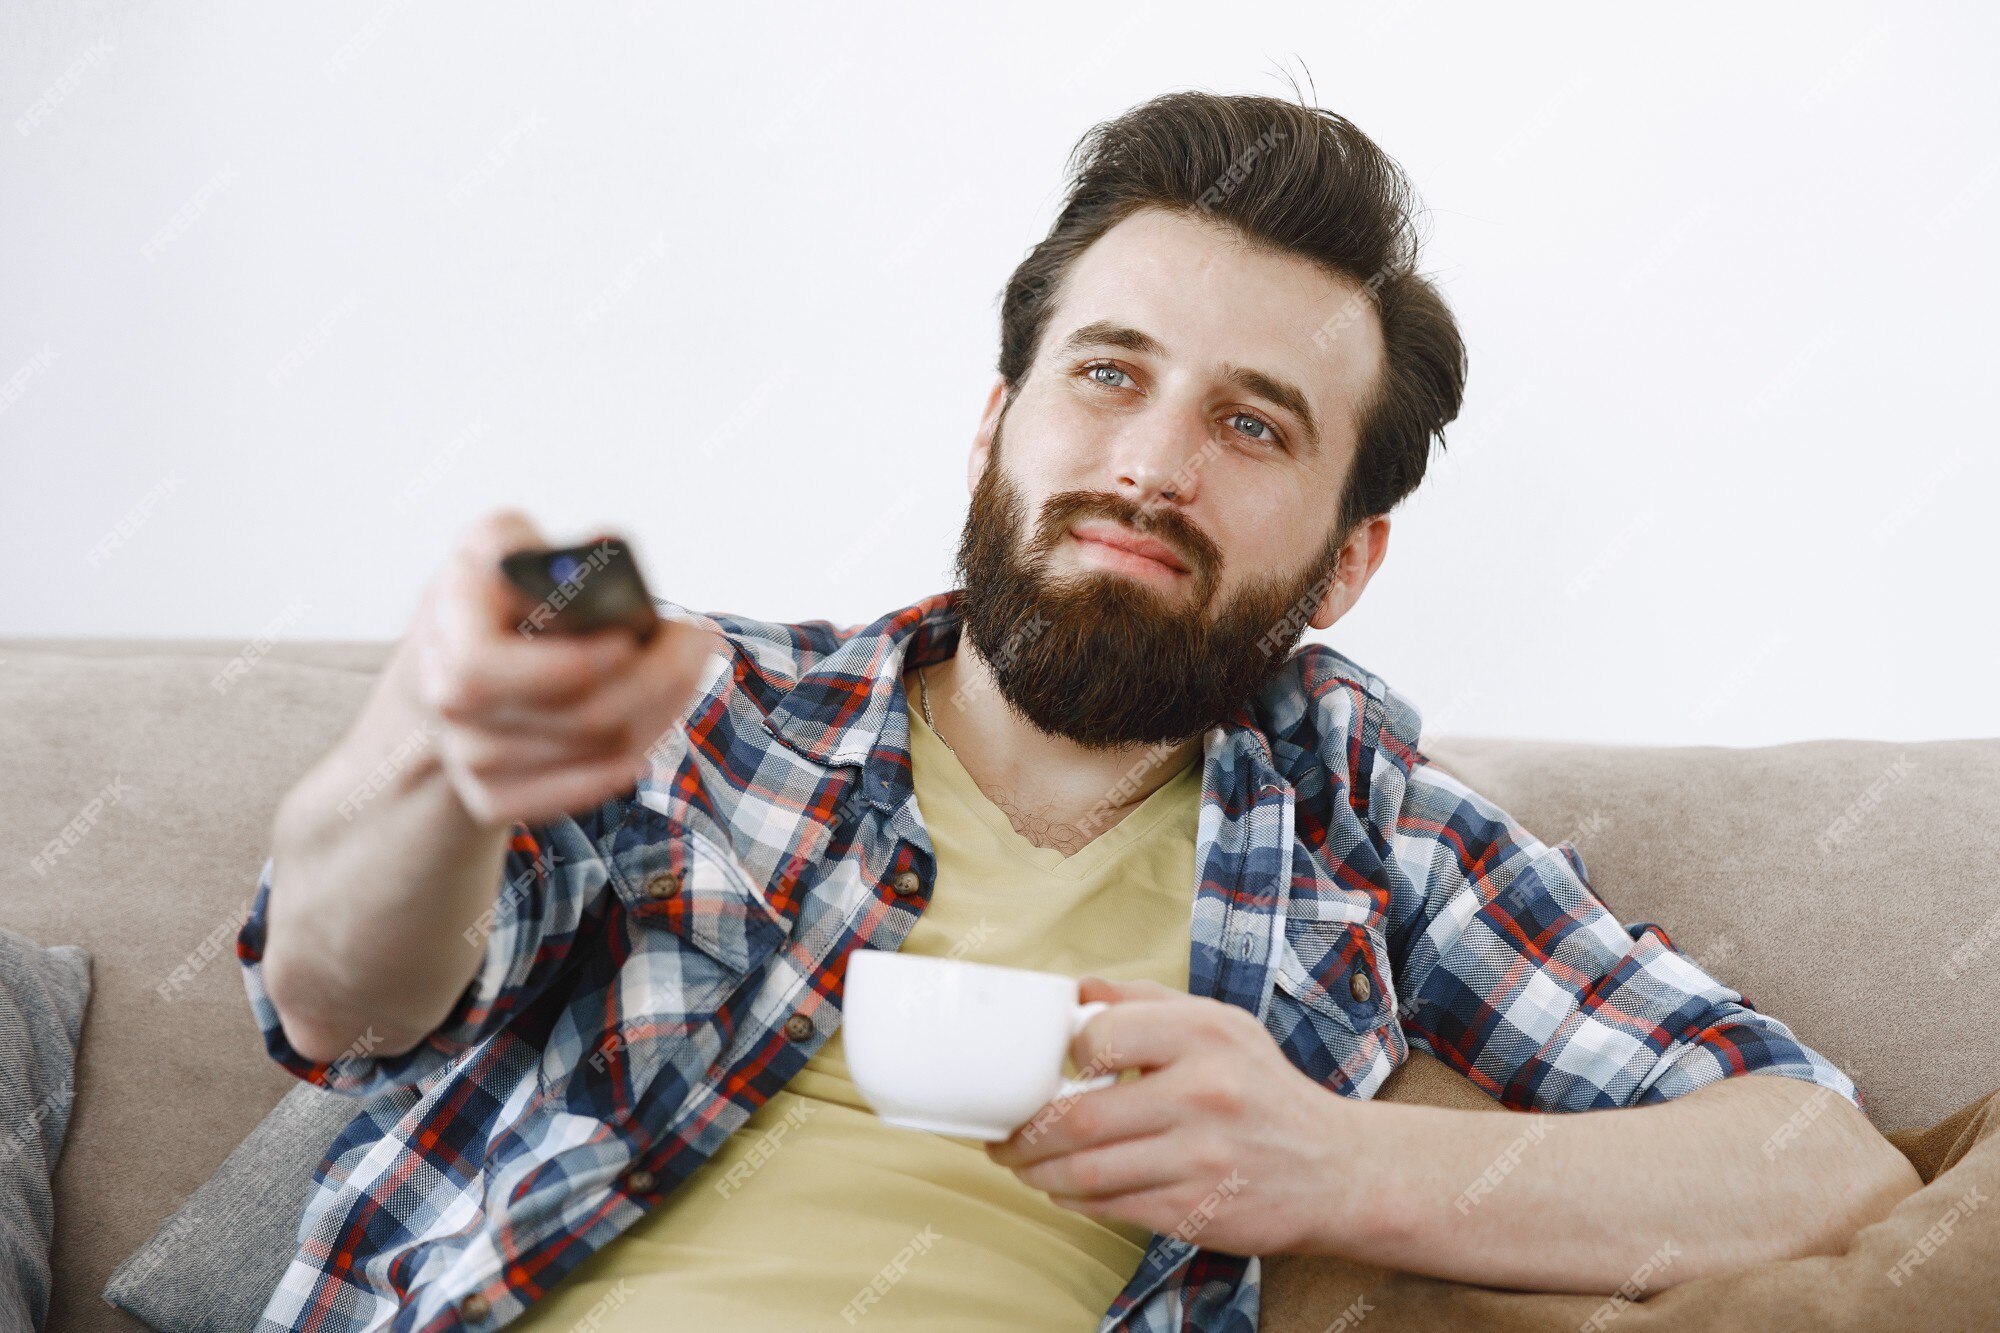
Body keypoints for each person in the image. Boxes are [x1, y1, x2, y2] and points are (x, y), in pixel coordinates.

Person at [236, 89, 1920, 1333]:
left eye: (1254, 427)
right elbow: (344, 1000)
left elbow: (1821, 1164)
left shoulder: (1374, 828)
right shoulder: (693, 698)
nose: (1149, 463)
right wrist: (432, 771)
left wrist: (1327, 1166)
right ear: (995, 426)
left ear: (1344, 567)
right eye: (1108, 374)